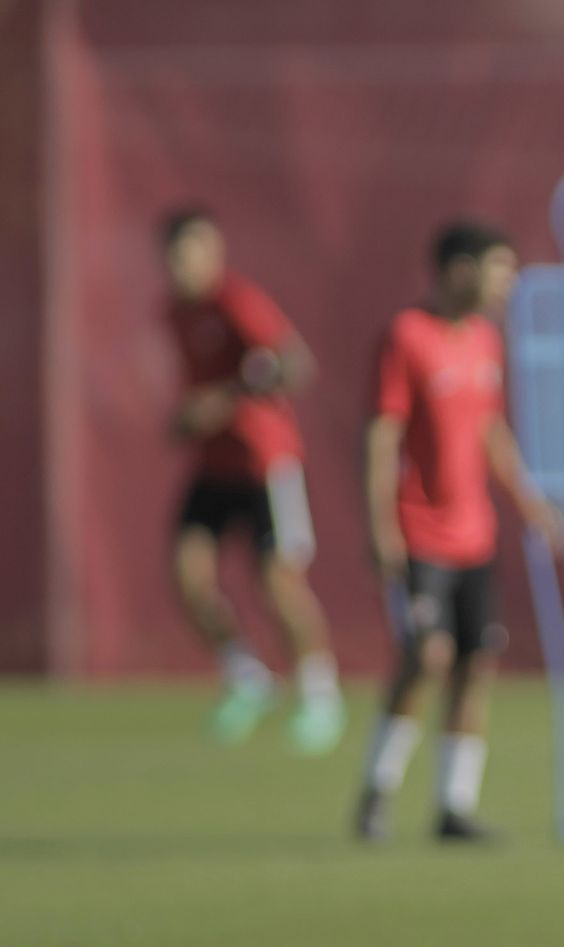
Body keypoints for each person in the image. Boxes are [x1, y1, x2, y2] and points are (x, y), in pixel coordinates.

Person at [354, 221, 564, 842]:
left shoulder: (481, 338)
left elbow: (488, 430)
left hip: (474, 536)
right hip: (420, 532)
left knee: (477, 663)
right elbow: (381, 435)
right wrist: (379, 526)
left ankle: (453, 806)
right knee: (427, 655)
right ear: (457, 269)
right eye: (500, 268)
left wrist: (528, 502)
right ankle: (376, 790)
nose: (510, 281)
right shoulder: (406, 335)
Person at [163, 207, 345, 754]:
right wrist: (188, 417)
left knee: (278, 582)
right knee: (188, 575)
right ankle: (247, 677)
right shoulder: (174, 313)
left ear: (214, 252)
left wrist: (223, 400)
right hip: (213, 467)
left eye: (193, 252)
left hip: (265, 463)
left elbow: (293, 365)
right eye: (174, 255)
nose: (183, 265)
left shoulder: (237, 302)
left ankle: (320, 694)